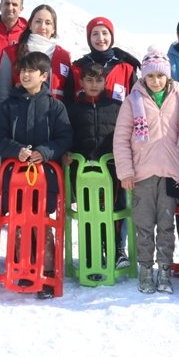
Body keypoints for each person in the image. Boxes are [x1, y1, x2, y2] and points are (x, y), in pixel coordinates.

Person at [114, 48, 179, 294]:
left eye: (160, 76)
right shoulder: (133, 101)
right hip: (142, 173)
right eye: (151, 76)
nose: (156, 81)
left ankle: (164, 269)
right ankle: (145, 269)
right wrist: (126, 172)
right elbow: (120, 139)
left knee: (166, 224)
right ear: (144, 77)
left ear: (168, 77)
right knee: (143, 224)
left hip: (171, 173)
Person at [0, 51, 74, 300]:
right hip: (15, 178)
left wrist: (44, 152)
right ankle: (24, 267)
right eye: (23, 70)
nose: (25, 75)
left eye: (31, 71)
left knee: (41, 223)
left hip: (44, 178)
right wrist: (16, 150)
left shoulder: (55, 106)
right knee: (19, 222)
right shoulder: (9, 106)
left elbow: (64, 137)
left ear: (44, 76)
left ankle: (46, 271)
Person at [67, 63, 127, 269]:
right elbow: (68, 136)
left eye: (99, 80)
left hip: (110, 169)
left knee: (111, 208)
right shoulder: (73, 109)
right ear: (82, 82)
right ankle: (90, 254)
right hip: (82, 170)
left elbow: (123, 136)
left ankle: (116, 250)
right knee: (88, 211)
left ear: (105, 82)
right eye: (89, 80)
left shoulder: (115, 107)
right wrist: (68, 154)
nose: (94, 85)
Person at [0, 4, 74, 103]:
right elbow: (3, 94)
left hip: (52, 115)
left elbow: (68, 94)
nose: (43, 26)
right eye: (38, 21)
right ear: (30, 25)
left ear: (54, 29)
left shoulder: (64, 56)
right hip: (18, 114)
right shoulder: (11, 53)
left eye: (48, 23)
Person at [72, 16, 139, 101]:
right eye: (95, 34)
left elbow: (138, 102)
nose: (100, 38)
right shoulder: (77, 68)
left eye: (105, 33)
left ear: (111, 36)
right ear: (89, 38)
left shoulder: (126, 69)